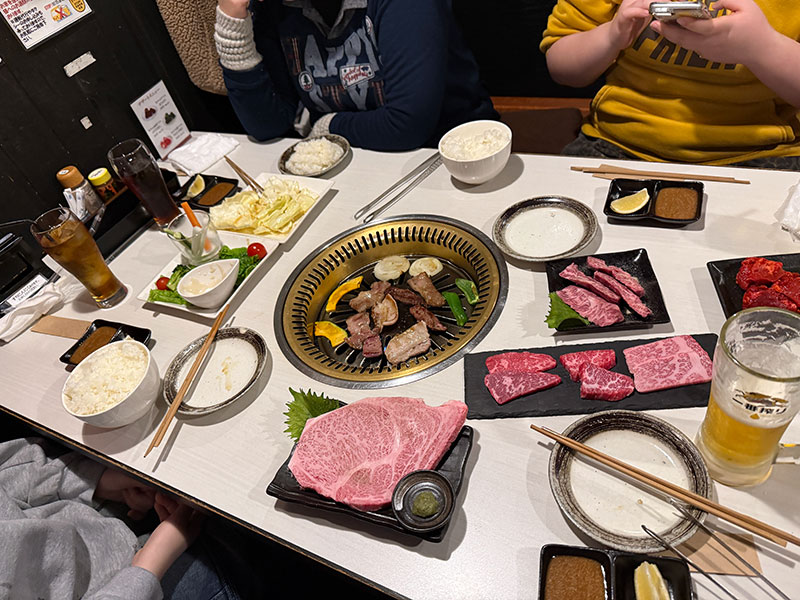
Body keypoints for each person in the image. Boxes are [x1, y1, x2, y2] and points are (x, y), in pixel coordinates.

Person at [541, 0, 800, 169]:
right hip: (616, 144)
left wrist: (763, 47)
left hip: (762, 152)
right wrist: (612, 35)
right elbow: (562, 69)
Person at [213, 0, 498, 151]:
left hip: (453, 156)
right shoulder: (274, 8)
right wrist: (233, 25)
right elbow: (268, 126)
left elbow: (407, 125)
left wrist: (326, 127)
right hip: (359, 162)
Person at [0, 437, 247, 599]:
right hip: (121, 588)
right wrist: (148, 566)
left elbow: (9, 468)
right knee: (231, 535)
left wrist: (102, 483)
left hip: (74, 520)